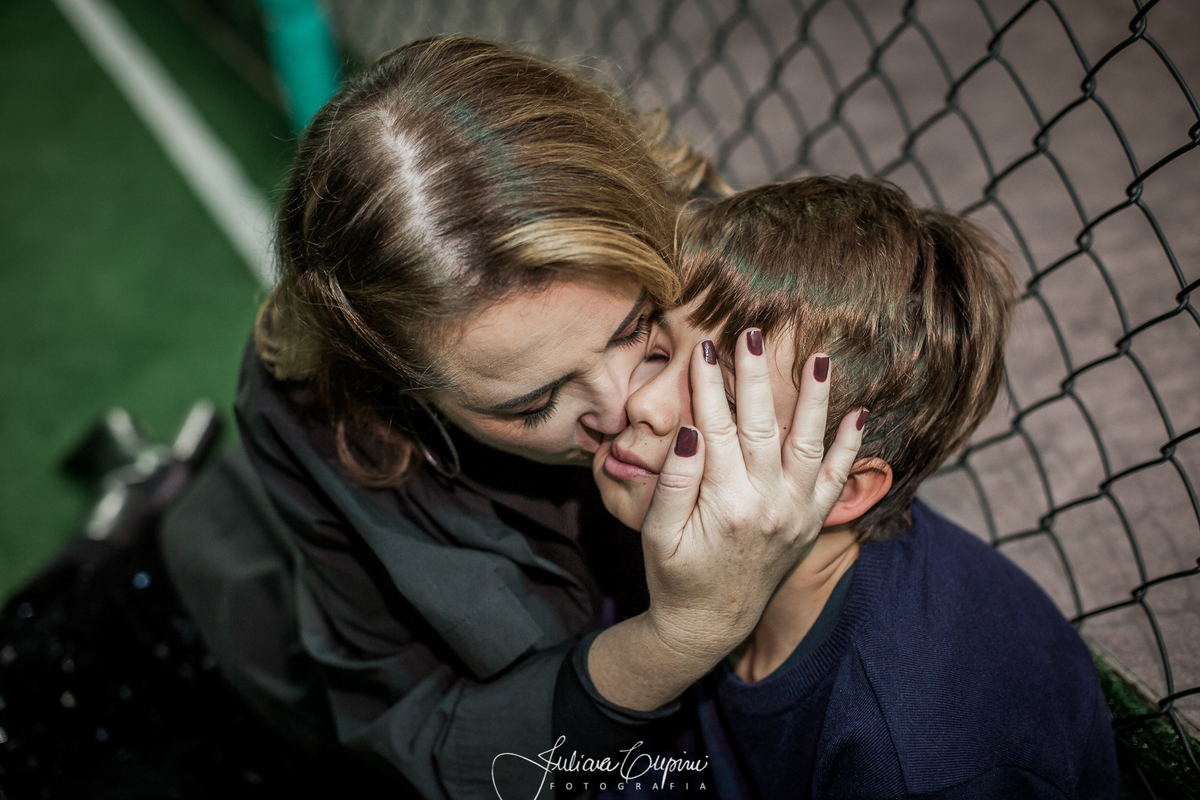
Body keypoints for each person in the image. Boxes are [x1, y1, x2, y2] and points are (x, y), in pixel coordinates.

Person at [0, 37, 868, 799]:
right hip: (231, 640)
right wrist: (679, 637)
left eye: (640, 327)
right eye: (533, 402)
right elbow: (432, 752)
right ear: (394, 388)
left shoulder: (720, 251)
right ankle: (138, 507)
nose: (624, 407)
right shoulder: (316, 406)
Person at [591, 177, 1122, 798]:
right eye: (657, 350)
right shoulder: (639, 515)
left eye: (724, 401)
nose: (643, 403)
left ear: (843, 489)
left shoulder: (917, 751)